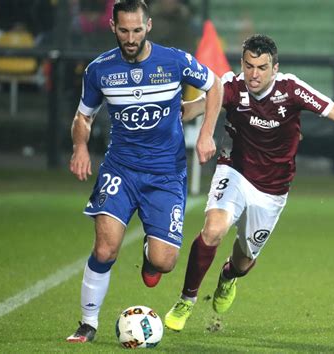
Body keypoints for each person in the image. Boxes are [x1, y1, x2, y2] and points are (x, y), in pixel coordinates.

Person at [164, 34, 334, 332]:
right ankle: (186, 299)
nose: (254, 74)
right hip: (234, 170)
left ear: (275, 68)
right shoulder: (231, 86)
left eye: (262, 67)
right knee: (213, 230)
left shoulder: (292, 90)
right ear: (242, 63)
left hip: (273, 188)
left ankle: (227, 278)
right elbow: (194, 108)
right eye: (249, 65)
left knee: (242, 262)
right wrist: (166, 107)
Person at [66, 0, 223, 343]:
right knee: (105, 249)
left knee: (164, 262)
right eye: (124, 30)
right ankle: (87, 323)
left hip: (166, 174)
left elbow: (216, 85)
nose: (131, 37)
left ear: (148, 26)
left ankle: (151, 259)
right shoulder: (99, 70)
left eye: (137, 30)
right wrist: (80, 146)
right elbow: (84, 116)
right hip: (120, 169)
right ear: (113, 28)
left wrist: (207, 133)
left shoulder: (174, 60)